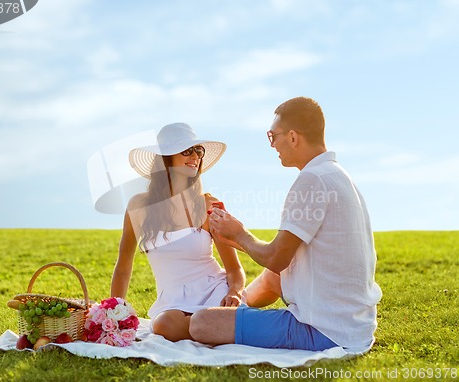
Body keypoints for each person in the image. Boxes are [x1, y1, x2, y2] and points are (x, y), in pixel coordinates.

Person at [189, 97, 383, 353]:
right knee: (275, 278)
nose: (273, 144)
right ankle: (239, 306)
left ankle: (231, 316)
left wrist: (239, 233)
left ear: (293, 137)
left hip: (323, 332)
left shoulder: (312, 180)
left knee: (201, 323)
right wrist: (234, 240)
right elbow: (280, 266)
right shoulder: (336, 174)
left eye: (273, 136)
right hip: (352, 325)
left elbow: (276, 257)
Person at [110, 122, 246, 342]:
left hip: (215, 293)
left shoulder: (208, 205)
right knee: (164, 325)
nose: (195, 156)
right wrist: (113, 312)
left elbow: (234, 269)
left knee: (209, 317)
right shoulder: (139, 206)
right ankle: (221, 330)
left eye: (198, 151)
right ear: (166, 158)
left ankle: (219, 326)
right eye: (186, 151)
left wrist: (234, 292)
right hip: (172, 304)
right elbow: (124, 266)